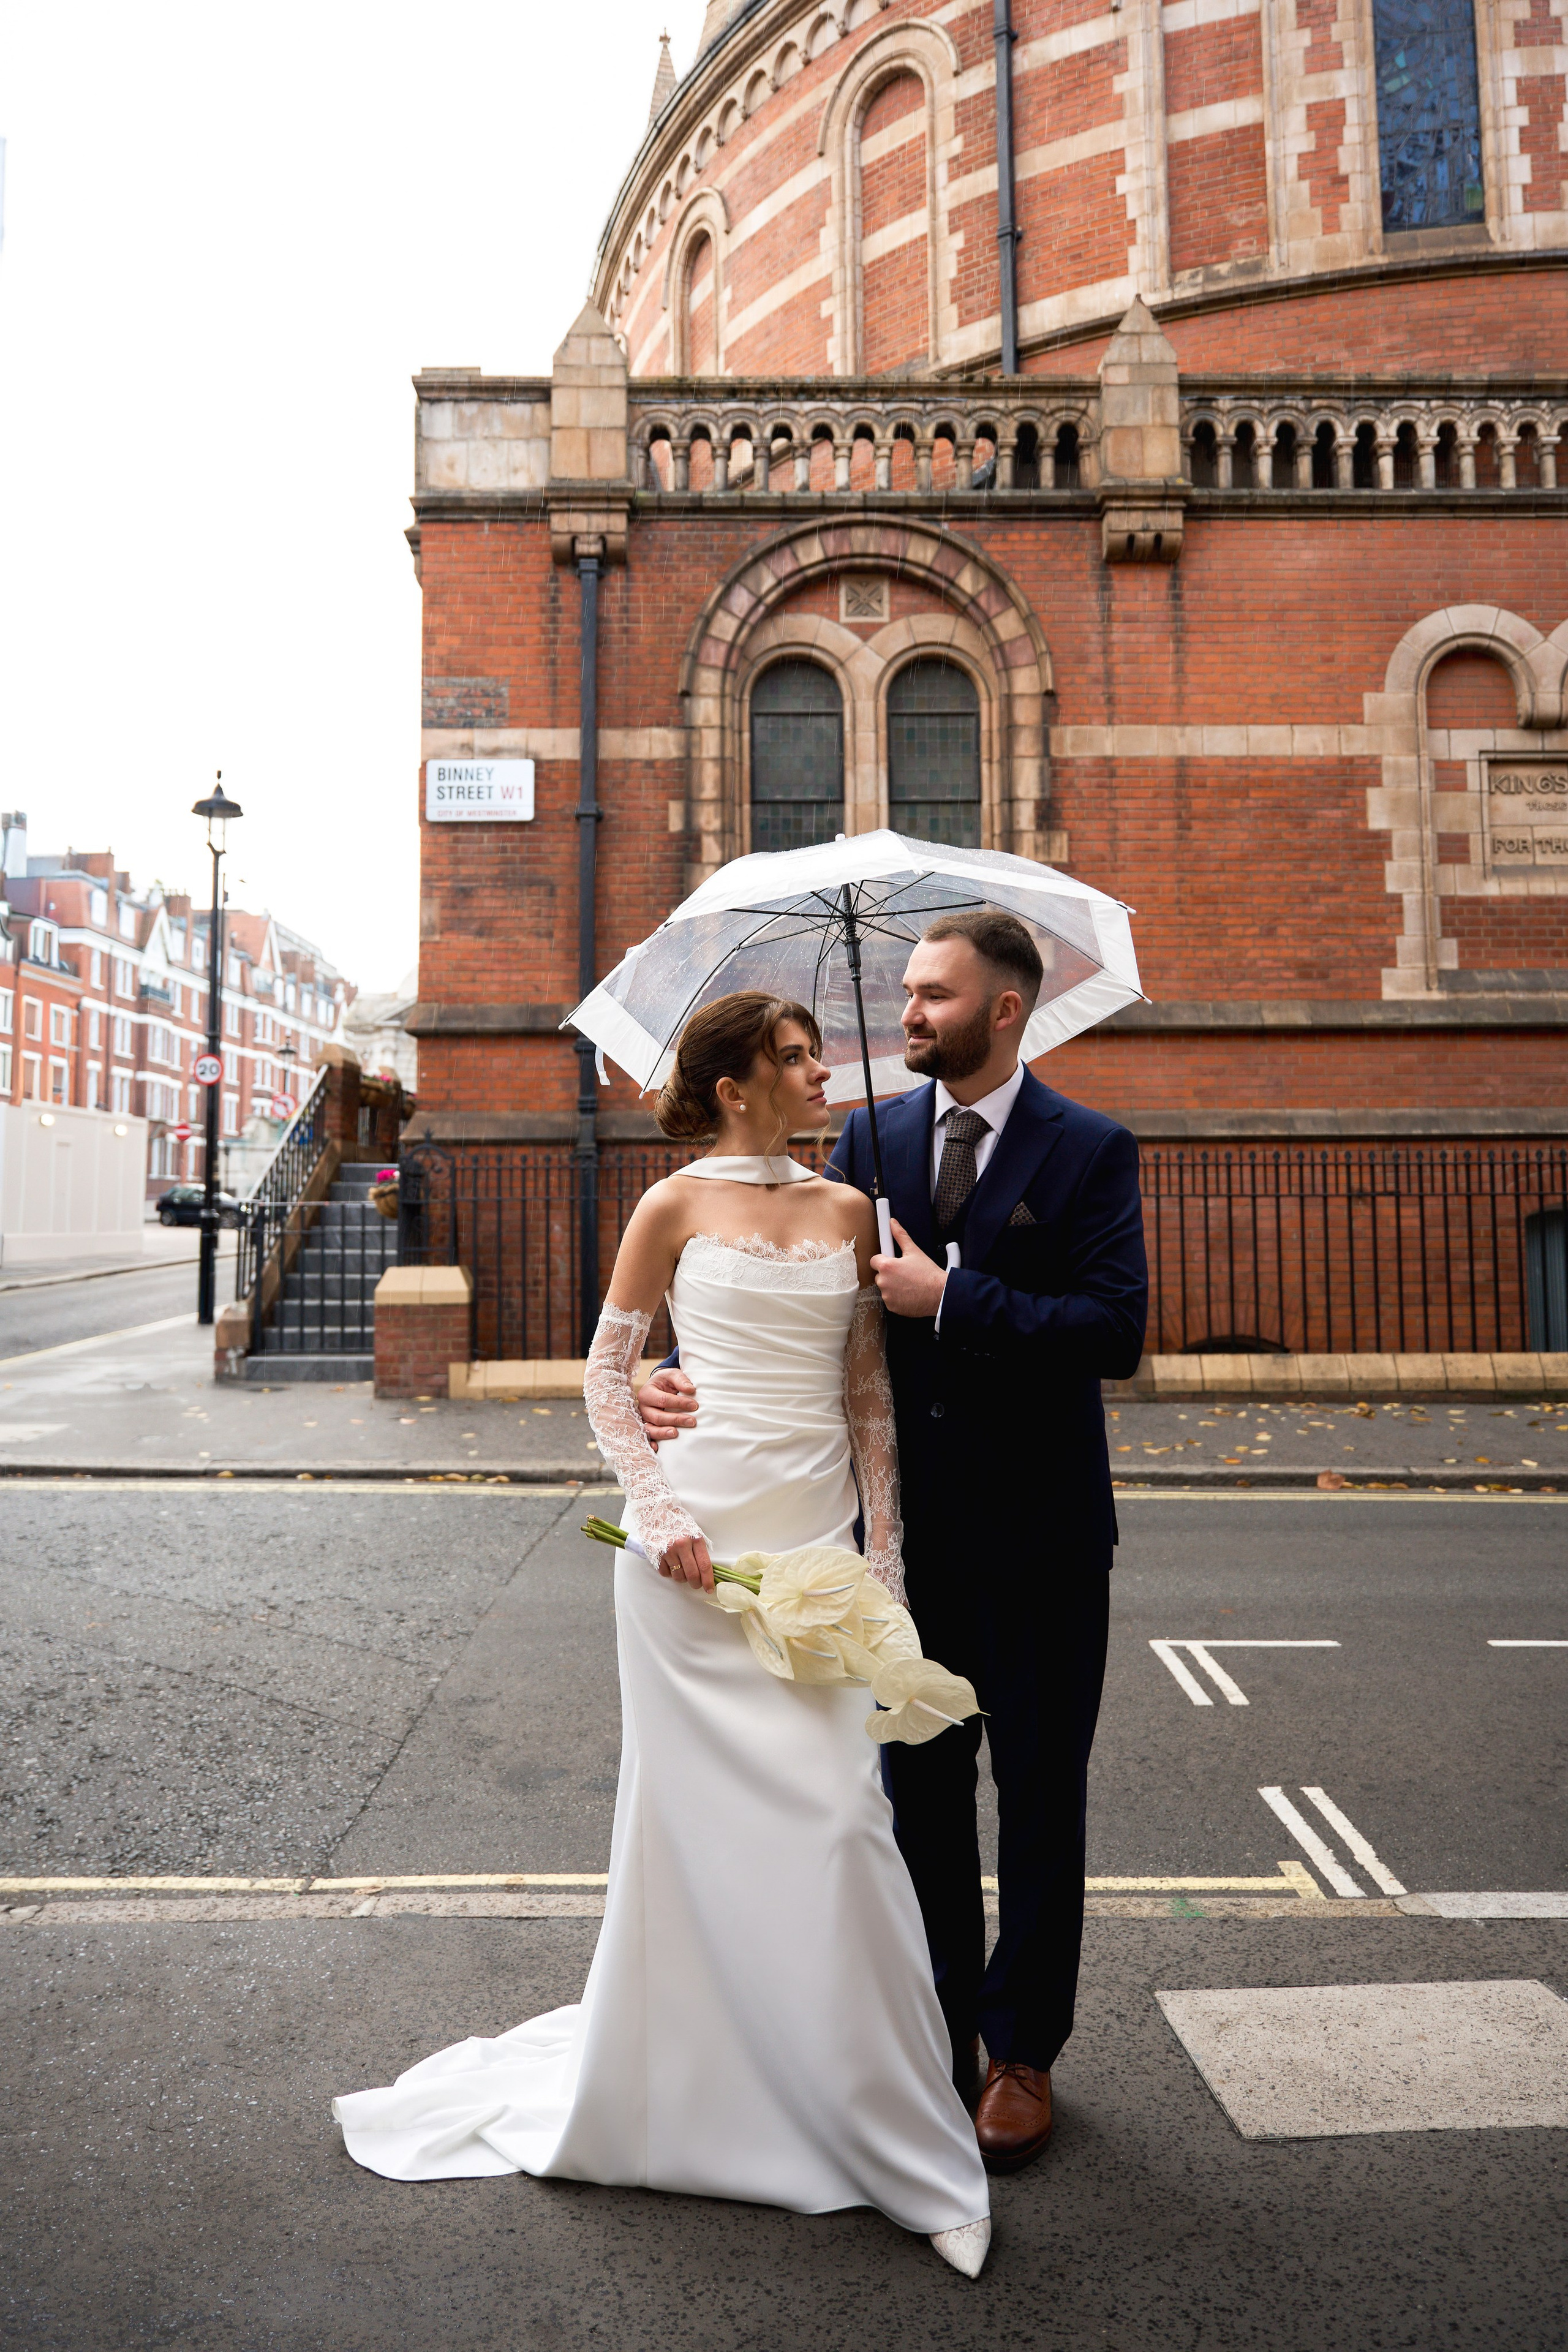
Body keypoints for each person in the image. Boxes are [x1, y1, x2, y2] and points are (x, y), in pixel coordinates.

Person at [331, 992, 992, 2278]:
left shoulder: (852, 1209)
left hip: (809, 1559)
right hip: (687, 1567)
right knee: (695, 1846)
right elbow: (604, 1370)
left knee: (844, 1833)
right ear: (735, 1084)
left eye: (815, 1054)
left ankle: (902, 2145)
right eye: (793, 1059)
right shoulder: (670, 1205)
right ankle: (707, 2093)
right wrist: (657, 1511)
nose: (818, 1075)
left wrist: (884, 1569)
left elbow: (867, 1406)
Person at [639, 913, 1147, 2174]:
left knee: (1035, 1798)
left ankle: (1021, 2055)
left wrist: (954, 1298)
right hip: (892, 1543)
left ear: (1004, 1011)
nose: (906, 1014)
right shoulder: (864, 1142)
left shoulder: (1088, 1149)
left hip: (1037, 1538)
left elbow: (1111, 1329)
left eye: (931, 996)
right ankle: (934, 2035)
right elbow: (787, 1316)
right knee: (913, 1800)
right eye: (907, 992)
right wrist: (667, 1371)